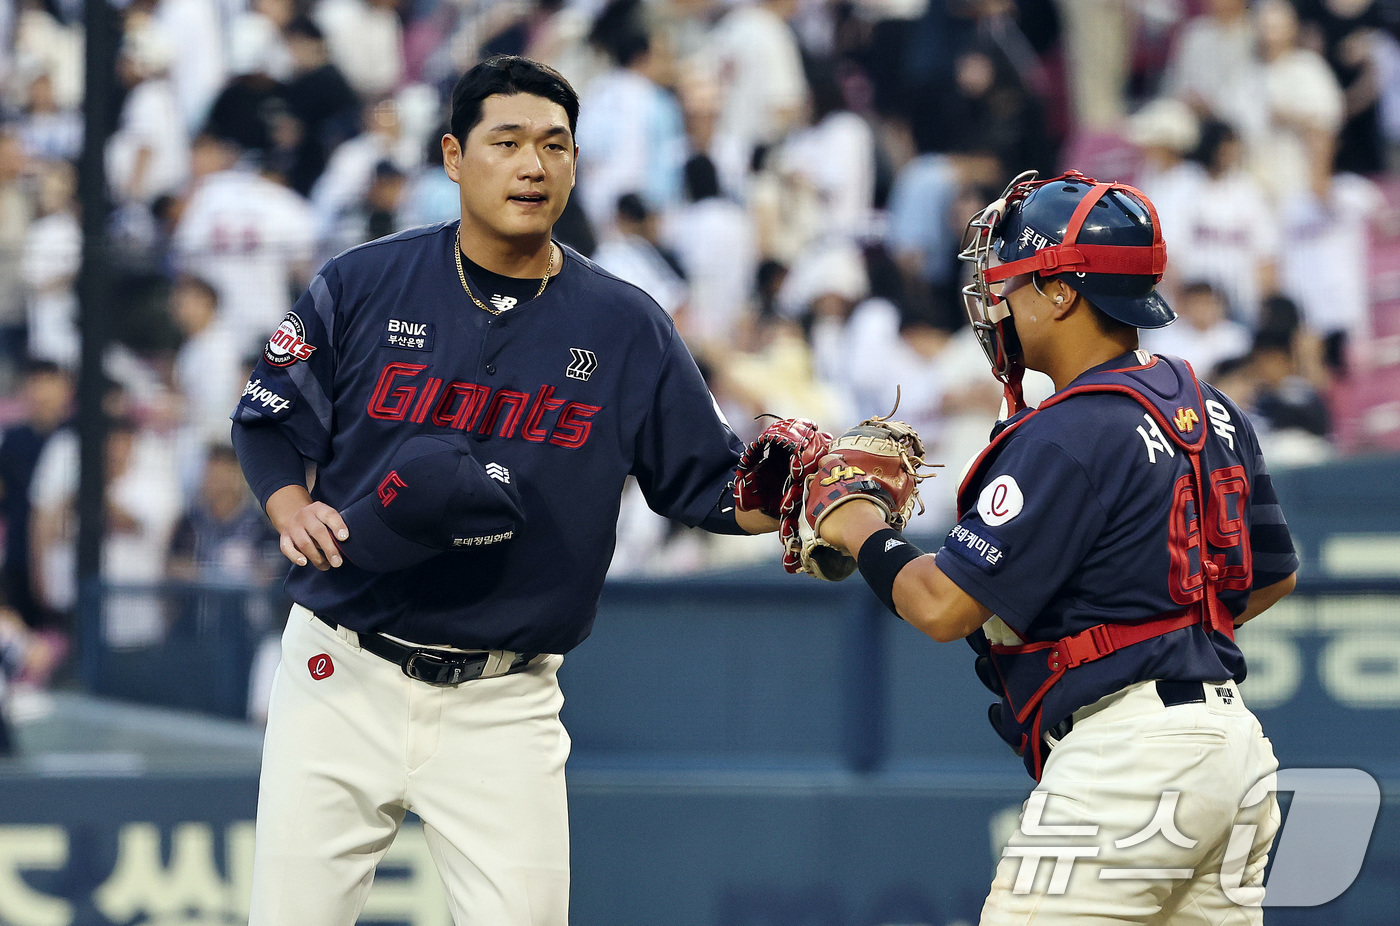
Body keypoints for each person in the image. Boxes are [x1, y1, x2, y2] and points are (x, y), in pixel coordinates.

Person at [229, 55, 806, 925]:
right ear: (455, 157)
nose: (534, 165)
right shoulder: (363, 282)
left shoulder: (624, 324)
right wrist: (286, 504)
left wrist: (809, 501)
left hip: (503, 701)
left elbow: (707, 484)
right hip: (340, 669)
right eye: (508, 143)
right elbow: (268, 417)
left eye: (555, 145)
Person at [800, 170, 1299, 922]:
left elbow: (940, 607)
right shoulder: (1211, 405)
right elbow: (1268, 579)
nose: (997, 299)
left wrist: (858, 523)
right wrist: (1140, 632)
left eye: (1015, 281)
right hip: (1234, 750)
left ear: (1063, 292)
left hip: (1131, 761)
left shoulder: (1069, 430)